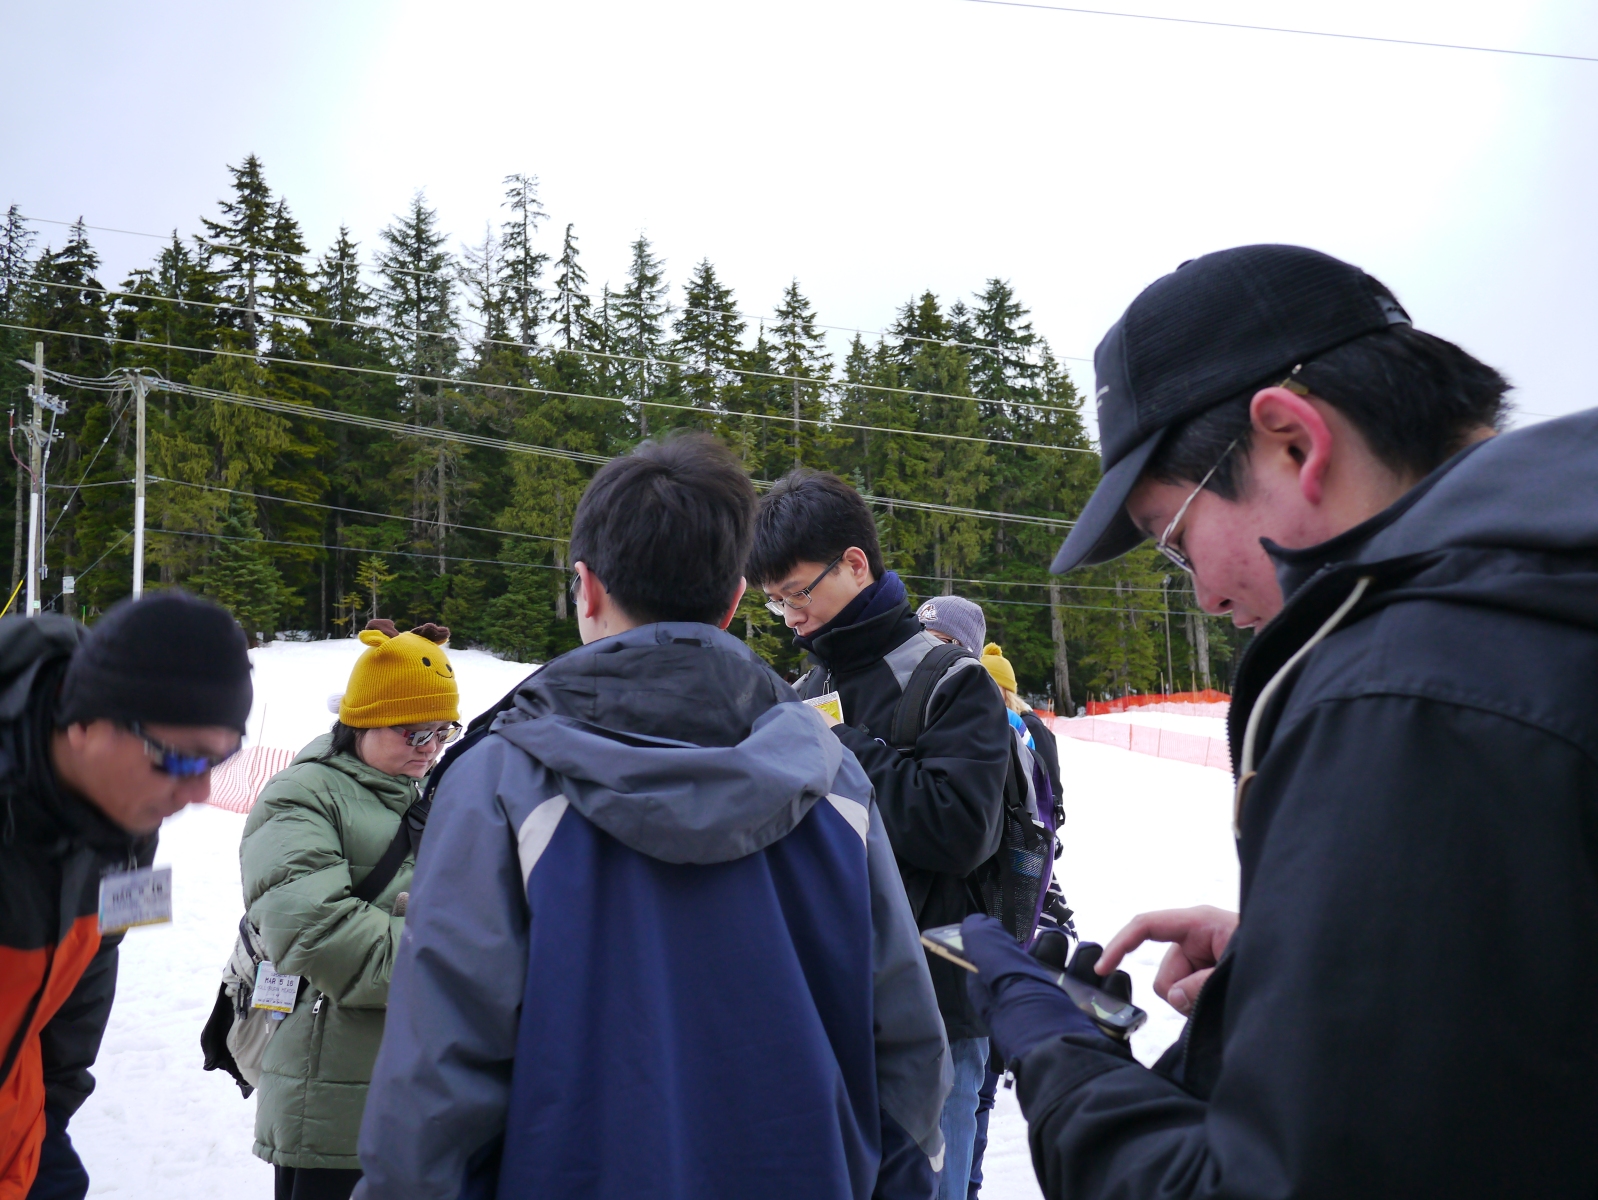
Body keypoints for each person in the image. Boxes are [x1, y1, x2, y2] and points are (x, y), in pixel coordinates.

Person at [966, 242, 1598, 1196]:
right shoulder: (1543, 608)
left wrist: (1058, 1056)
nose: (1206, 598)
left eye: (1175, 540)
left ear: (1294, 441)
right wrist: (1318, 956)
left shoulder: (1406, 701)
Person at [354, 434, 949, 1200]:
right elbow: (905, 1055)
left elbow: (434, 1090)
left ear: (586, 589)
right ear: (734, 600)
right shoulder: (835, 783)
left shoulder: (500, 784)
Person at [748, 472, 1012, 1200]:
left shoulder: (952, 680)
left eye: (798, 593)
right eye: (775, 601)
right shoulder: (803, 691)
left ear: (856, 564)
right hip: (826, 1002)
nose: (790, 616)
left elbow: (962, 830)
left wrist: (841, 750)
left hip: (937, 1011)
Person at [0, 592, 252, 1200]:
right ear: (84, 722)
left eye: (219, 761)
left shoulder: (129, 819)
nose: (198, 793)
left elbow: (99, 949)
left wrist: (53, 1100)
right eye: (179, 759)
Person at [240, 620, 458, 1200]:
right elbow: (319, 937)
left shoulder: (424, 795)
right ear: (362, 720)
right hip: (331, 1109)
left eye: (443, 731)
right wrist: (460, 949)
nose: (431, 747)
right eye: (414, 732)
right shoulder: (299, 797)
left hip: (413, 1097)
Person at [976, 643, 1060, 806]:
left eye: (991, 684)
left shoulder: (1029, 726)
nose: (984, 691)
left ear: (1006, 690)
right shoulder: (980, 723)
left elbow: (1049, 781)